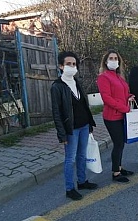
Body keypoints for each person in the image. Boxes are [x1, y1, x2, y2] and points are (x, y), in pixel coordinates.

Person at [51, 51, 98, 201]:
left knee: (82, 155)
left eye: (74, 64)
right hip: (70, 129)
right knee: (70, 159)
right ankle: (69, 188)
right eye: (68, 64)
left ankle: (82, 181)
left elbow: (84, 104)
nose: (72, 66)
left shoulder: (77, 82)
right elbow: (56, 112)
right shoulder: (57, 86)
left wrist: (90, 123)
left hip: (84, 125)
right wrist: (61, 134)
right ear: (60, 66)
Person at [97, 49, 135, 183]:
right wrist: (125, 108)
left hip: (122, 114)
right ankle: (116, 172)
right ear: (106, 61)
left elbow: (123, 93)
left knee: (121, 143)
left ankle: (119, 166)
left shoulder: (119, 76)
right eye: (111, 58)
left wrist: (129, 97)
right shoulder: (103, 77)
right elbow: (107, 98)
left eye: (116, 59)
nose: (114, 61)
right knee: (118, 143)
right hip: (112, 116)